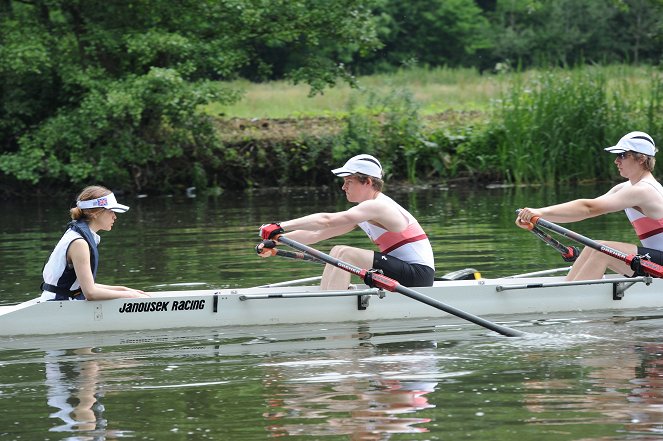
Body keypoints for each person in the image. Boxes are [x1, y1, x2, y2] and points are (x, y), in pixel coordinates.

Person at [257, 154, 435, 290]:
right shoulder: (364, 211)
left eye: (348, 182)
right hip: (403, 272)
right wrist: (274, 241)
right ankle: (327, 297)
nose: (343, 187)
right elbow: (317, 233)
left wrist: (279, 225)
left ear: (367, 182)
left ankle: (334, 302)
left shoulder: (378, 206)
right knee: (337, 251)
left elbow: (327, 220)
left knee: (345, 253)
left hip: (418, 276)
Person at [516, 131, 663, 280]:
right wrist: (536, 217)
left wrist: (540, 212)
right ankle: (567, 292)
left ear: (642, 159)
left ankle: (573, 300)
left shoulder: (644, 190)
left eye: (623, 155)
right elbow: (584, 211)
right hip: (657, 259)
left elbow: (588, 208)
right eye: (617, 155)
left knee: (603, 251)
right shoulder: (625, 188)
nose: (616, 161)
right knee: (594, 246)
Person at [40, 185, 148, 301]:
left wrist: (123, 290)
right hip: (57, 306)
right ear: (95, 213)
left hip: (59, 302)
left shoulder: (76, 235)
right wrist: (131, 296)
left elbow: (82, 287)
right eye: (111, 210)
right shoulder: (79, 243)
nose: (115, 217)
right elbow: (90, 293)